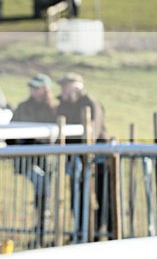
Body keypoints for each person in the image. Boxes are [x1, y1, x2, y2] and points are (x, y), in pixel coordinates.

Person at [55, 72, 111, 240]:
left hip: (98, 158)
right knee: (77, 196)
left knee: (101, 196)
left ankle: (104, 232)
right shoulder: (62, 105)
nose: (63, 90)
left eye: (66, 86)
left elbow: (92, 132)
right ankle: (82, 230)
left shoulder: (91, 104)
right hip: (76, 158)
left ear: (77, 87)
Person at [10, 73, 58, 234]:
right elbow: (10, 131)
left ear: (45, 89)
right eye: (32, 88)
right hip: (27, 157)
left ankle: (43, 222)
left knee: (44, 189)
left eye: (37, 88)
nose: (33, 91)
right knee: (41, 185)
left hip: (47, 158)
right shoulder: (23, 107)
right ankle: (41, 221)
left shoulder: (54, 109)